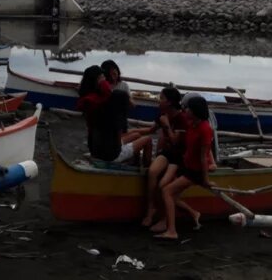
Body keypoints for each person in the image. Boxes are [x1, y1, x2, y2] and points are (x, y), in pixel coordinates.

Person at [154, 95, 216, 240]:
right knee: (171, 196)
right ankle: (194, 213)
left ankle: (171, 231)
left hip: (196, 172)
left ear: (195, 111)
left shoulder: (205, 129)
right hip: (187, 167)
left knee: (167, 192)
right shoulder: (191, 123)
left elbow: (204, 155)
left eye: (188, 108)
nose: (185, 110)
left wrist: (205, 179)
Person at [76, 65, 150, 164]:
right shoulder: (99, 103)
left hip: (95, 146)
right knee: (148, 140)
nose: (105, 79)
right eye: (102, 77)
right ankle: (143, 171)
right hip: (111, 153)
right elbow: (108, 94)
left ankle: (133, 163)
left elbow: (108, 95)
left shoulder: (91, 98)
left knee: (136, 135)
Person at [141, 87, 187, 228]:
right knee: (152, 172)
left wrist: (166, 125)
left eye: (161, 98)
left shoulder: (181, 118)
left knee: (164, 183)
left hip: (180, 155)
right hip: (167, 153)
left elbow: (175, 142)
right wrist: (131, 132)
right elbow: (150, 130)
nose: (158, 101)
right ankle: (150, 210)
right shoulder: (162, 113)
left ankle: (164, 218)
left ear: (169, 102)